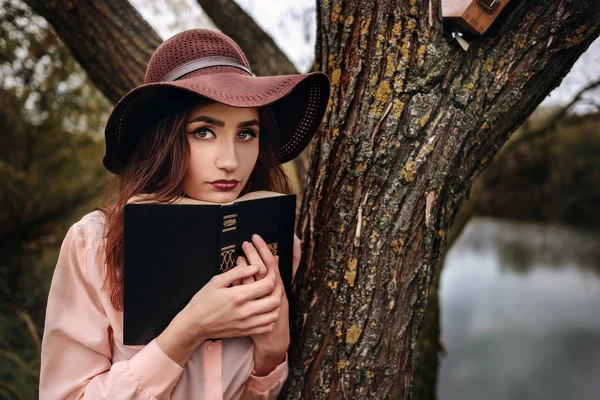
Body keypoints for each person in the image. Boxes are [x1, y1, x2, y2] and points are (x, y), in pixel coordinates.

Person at [39, 29, 330, 400]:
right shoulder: (94, 244)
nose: (229, 162)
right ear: (164, 140)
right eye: (204, 131)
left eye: (245, 134)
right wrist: (183, 335)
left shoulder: (277, 246)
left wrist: (271, 356)